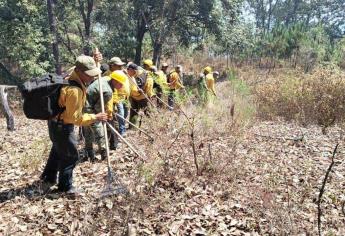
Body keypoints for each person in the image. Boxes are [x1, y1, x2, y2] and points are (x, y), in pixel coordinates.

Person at [40, 55, 108, 195]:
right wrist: (95, 117)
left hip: (54, 122)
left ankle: (48, 178)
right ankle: (65, 187)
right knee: (70, 156)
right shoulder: (74, 91)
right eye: (89, 75)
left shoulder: (72, 73)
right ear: (80, 72)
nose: (92, 78)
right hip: (63, 126)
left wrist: (94, 61)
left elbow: (82, 63)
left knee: (57, 151)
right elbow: (74, 119)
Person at [82, 73, 113, 162]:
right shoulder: (107, 91)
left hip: (83, 108)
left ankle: (89, 154)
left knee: (88, 132)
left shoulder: (104, 80)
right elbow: (98, 107)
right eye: (121, 84)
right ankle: (104, 155)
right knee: (100, 133)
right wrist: (100, 116)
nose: (122, 86)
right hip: (90, 110)